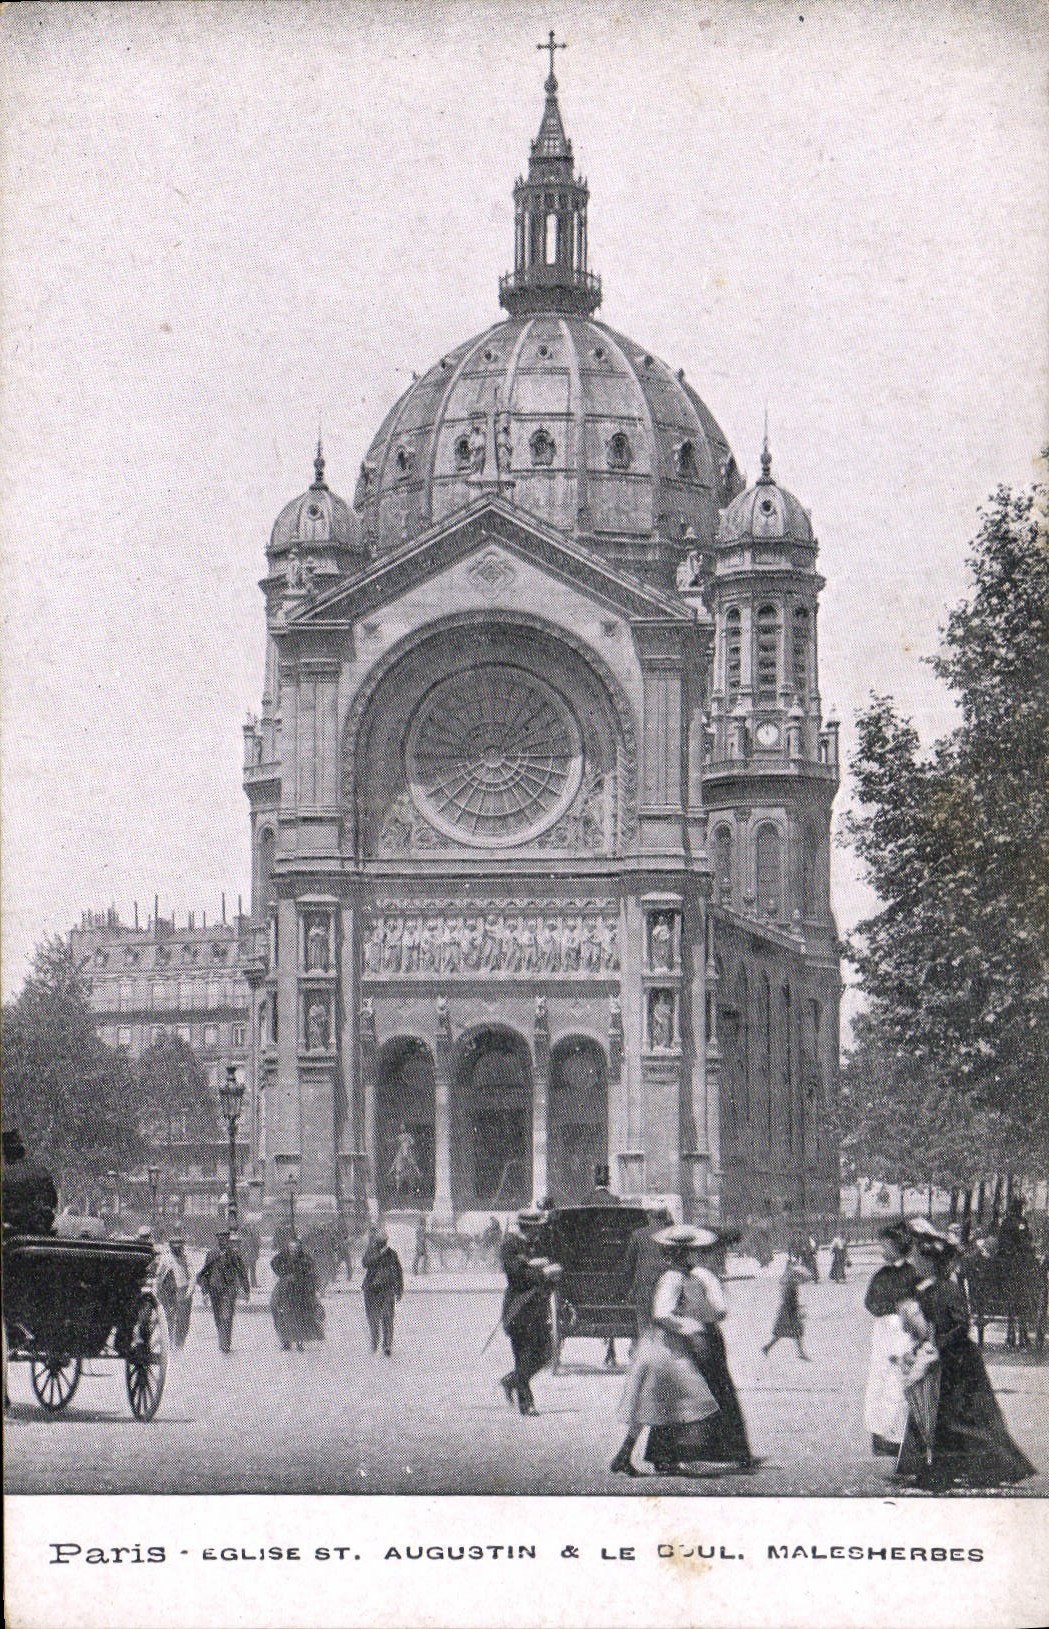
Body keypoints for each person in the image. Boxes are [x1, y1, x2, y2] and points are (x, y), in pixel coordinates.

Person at [894, 1227, 1036, 1489]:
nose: (915, 1264)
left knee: (965, 1416)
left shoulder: (948, 1288)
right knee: (934, 1413)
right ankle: (930, 1467)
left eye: (920, 1260)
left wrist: (939, 1344)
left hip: (959, 1360)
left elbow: (962, 1324)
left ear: (932, 1263)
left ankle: (981, 1467)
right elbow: (924, 1326)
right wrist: (919, 1346)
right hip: (941, 1358)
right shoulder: (924, 1289)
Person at [610, 1225, 720, 1476]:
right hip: (666, 1350)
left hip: (659, 1347)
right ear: (683, 1253)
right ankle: (673, 1454)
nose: (696, 1256)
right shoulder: (673, 1278)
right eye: (692, 1252)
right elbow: (661, 1313)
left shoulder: (676, 1275)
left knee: (653, 1405)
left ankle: (627, 1456)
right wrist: (688, 1328)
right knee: (692, 1397)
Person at [862, 1223, 918, 1456]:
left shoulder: (912, 1274)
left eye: (886, 1244)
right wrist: (886, 1309)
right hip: (883, 1331)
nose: (882, 1249)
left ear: (897, 1246)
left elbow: (915, 1301)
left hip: (903, 1330)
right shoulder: (882, 1274)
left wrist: (899, 1312)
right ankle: (880, 1433)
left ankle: (897, 1435)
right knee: (879, 1379)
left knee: (898, 1380)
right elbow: (869, 1301)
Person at [498, 1229, 559, 1416]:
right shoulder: (509, 1245)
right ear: (526, 1227)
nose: (536, 1233)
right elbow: (517, 1276)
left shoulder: (538, 1243)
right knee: (522, 1355)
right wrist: (543, 1273)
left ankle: (511, 1381)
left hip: (538, 1309)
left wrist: (552, 1277)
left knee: (546, 1353)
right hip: (519, 1309)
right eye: (534, 1228)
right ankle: (526, 1403)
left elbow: (550, 1270)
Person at [622, 1208, 673, 1348]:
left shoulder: (638, 1234)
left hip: (643, 1286)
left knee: (644, 1325)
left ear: (650, 1217)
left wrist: (630, 1287)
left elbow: (628, 1265)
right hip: (666, 1285)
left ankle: (646, 1356)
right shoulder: (670, 1234)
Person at [196, 1228, 250, 1354]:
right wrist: (205, 1292)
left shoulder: (234, 1255)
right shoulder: (211, 1254)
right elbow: (205, 1274)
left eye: (225, 1239)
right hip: (214, 1289)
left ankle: (225, 1343)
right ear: (217, 1240)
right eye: (220, 1239)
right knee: (218, 1317)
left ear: (228, 1240)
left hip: (229, 1289)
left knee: (227, 1315)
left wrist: (246, 1290)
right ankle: (223, 1339)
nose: (223, 1241)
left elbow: (242, 1272)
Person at [270, 1237, 325, 1350]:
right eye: (291, 1248)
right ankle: (285, 1340)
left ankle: (300, 1340)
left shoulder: (305, 1258)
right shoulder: (283, 1256)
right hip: (285, 1289)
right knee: (277, 1309)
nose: (293, 1250)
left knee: (301, 1315)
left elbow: (312, 1273)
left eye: (295, 1248)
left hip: (300, 1290)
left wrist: (310, 1284)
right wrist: (282, 1273)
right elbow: (274, 1263)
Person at [361, 1225, 404, 1355]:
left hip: (387, 1290)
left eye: (382, 1241)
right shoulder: (372, 1252)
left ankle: (387, 1345)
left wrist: (399, 1289)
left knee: (387, 1318)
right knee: (373, 1319)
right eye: (379, 1241)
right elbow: (365, 1263)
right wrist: (378, 1255)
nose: (381, 1244)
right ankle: (374, 1343)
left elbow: (398, 1272)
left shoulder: (392, 1254)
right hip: (371, 1290)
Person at [762, 1252, 811, 1360]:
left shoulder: (788, 1282)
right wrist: (798, 1310)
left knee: (784, 1332)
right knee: (794, 1332)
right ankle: (800, 1353)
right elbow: (791, 1300)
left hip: (786, 1310)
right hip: (789, 1311)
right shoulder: (792, 1285)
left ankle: (767, 1347)